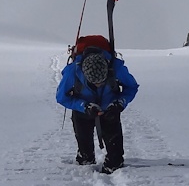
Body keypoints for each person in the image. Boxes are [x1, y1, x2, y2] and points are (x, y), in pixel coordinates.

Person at [56, 36, 139, 173]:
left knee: (115, 159)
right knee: (85, 155)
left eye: (102, 81)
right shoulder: (72, 72)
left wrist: (119, 103)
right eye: (94, 83)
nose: (98, 85)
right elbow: (61, 97)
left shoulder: (116, 68)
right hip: (82, 110)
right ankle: (85, 159)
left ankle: (114, 163)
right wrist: (83, 106)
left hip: (110, 108)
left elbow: (132, 87)